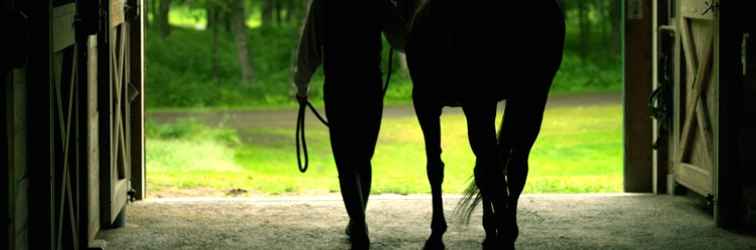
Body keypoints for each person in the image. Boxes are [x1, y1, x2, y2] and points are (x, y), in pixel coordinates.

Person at [292, 0, 409, 249]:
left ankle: (358, 221)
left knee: (346, 160)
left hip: (338, 86)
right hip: (369, 86)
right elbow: (401, 42)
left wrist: (302, 85)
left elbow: (309, 46)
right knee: (362, 157)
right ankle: (358, 221)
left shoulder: (323, 4)